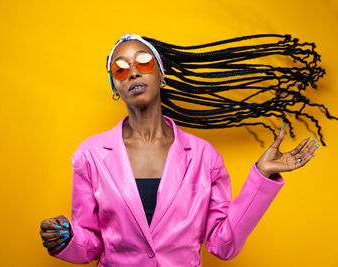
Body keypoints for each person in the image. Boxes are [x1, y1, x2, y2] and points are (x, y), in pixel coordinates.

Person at [39, 33, 333, 266]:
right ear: (114, 87)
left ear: (161, 74)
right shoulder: (90, 155)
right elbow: (91, 242)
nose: (132, 72)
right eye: (120, 68)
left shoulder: (205, 157)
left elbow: (223, 244)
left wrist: (263, 175)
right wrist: (65, 237)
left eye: (143, 62)